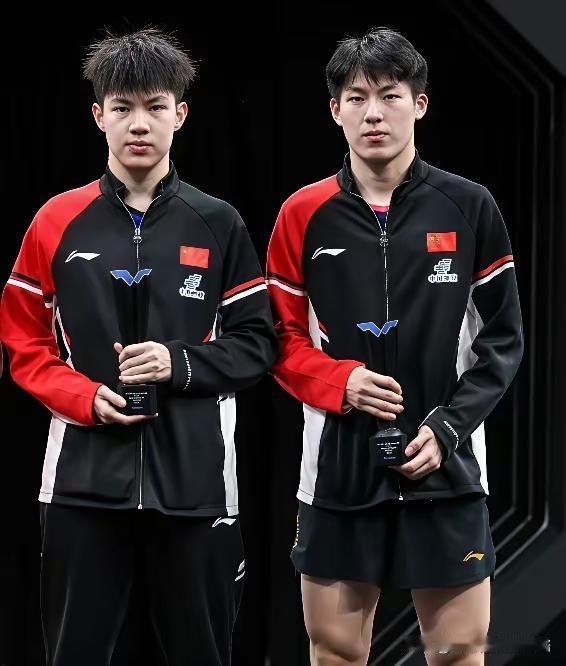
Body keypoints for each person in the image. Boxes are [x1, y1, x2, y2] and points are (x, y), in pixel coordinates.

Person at [0, 27, 278, 666]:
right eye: (122, 108)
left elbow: (258, 343)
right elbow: (23, 342)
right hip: (81, 485)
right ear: (98, 116)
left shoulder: (219, 222)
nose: (139, 124)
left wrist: (178, 363)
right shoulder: (55, 220)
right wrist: (82, 397)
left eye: (155, 106)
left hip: (197, 487)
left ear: (181, 114)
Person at [266, 27, 523, 666]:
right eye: (356, 98)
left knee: (459, 653)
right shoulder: (301, 213)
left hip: (446, 469)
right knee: (335, 652)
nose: (373, 113)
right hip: (338, 472)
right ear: (335, 110)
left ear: (420, 103)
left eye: (390, 95)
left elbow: (502, 340)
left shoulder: (469, 206)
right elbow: (278, 339)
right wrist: (341, 383)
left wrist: (449, 427)